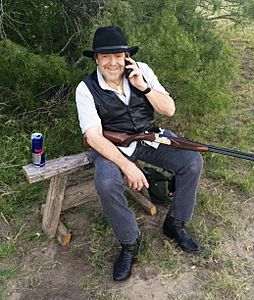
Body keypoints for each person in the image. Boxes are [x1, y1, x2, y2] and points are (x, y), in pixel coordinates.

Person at [75, 26, 203, 282]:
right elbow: (93, 136)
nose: (113, 63)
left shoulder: (142, 70)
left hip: (148, 138)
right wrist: (127, 166)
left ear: (126, 57)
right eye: (106, 57)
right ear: (97, 59)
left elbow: (169, 110)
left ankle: (175, 224)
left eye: (118, 56)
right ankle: (129, 242)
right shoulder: (85, 89)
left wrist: (143, 87)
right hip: (113, 147)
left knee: (192, 161)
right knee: (107, 181)